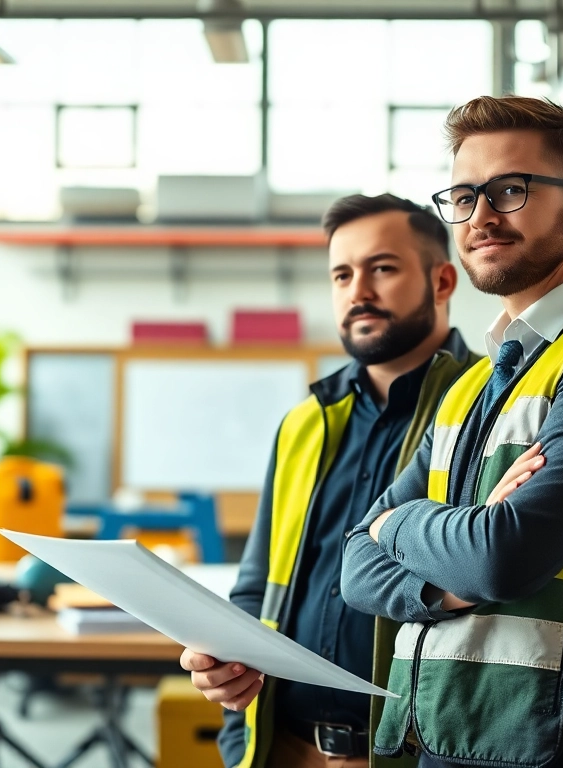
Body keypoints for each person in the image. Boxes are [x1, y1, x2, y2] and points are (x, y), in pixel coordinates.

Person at [341, 96, 563, 768]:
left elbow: (500, 557)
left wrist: (395, 522)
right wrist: (451, 573)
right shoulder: (470, 385)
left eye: (510, 190)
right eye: (464, 196)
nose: (481, 216)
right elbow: (355, 568)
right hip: (448, 746)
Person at [179, 194, 483, 768]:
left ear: (442, 281)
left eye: (382, 268)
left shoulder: (487, 406)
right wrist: (224, 672)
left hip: (412, 755)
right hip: (282, 749)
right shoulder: (305, 422)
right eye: (342, 275)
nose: (357, 291)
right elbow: (259, 586)